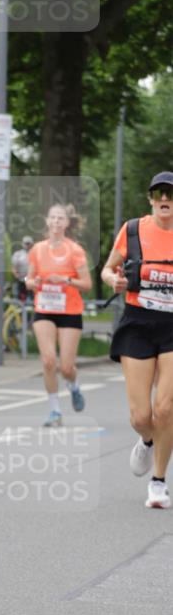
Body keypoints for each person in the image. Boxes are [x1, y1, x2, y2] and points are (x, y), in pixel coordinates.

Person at [101, 171, 173, 509]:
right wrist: (113, 281)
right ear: (150, 198)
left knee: (166, 407)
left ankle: (158, 482)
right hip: (138, 323)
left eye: (171, 194)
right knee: (142, 415)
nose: (165, 199)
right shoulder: (133, 230)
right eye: (159, 193)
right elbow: (107, 269)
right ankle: (146, 439)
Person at [25, 203, 92, 427]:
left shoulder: (75, 250)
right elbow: (28, 280)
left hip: (70, 312)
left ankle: (73, 386)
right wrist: (32, 283)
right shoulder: (37, 249)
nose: (56, 222)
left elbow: (87, 284)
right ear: (46, 221)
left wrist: (66, 280)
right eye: (52, 218)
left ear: (66, 223)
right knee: (47, 361)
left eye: (60, 218)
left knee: (66, 367)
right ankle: (55, 411)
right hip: (44, 309)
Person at [11, 235, 34, 301]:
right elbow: (14, 267)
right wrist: (17, 276)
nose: (27, 245)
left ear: (31, 244)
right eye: (26, 243)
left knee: (30, 298)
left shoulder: (35, 253)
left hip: (31, 280)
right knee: (18, 297)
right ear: (22, 244)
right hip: (20, 280)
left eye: (28, 243)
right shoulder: (18, 254)